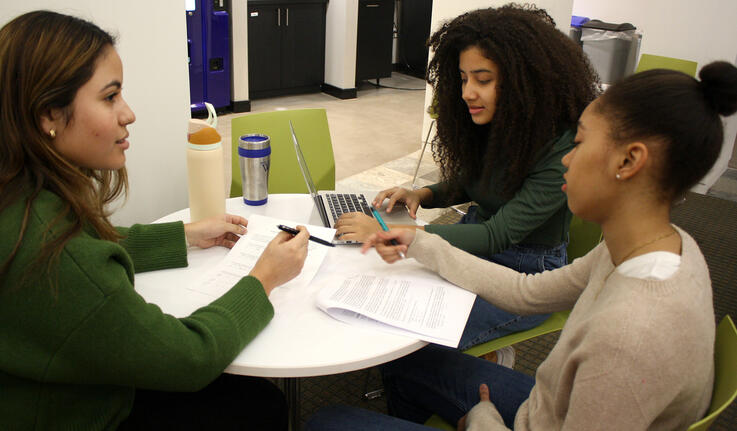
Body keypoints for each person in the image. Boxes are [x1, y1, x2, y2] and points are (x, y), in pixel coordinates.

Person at [305, 60, 737, 430]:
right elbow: (527, 292)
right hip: (551, 408)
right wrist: (419, 243)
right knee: (410, 361)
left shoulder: (629, 340)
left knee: (327, 422)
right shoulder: (661, 246)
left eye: (581, 142)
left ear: (629, 160)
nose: (567, 157)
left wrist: (484, 419)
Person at [0, 11, 308, 430]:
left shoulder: (19, 198)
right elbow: (189, 357)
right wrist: (264, 278)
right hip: (87, 412)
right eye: (110, 97)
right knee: (260, 405)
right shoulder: (56, 255)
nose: (128, 114)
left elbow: (92, 244)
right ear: (48, 115)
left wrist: (185, 235)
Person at [336, 5, 600, 353]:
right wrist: (423, 194)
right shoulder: (499, 122)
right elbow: (471, 182)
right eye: (463, 79)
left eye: (483, 79)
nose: (467, 92)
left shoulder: (561, 148)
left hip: (527, 274)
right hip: (480, 250)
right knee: (394, 294)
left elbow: (496, 235)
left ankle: (481, 369)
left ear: (525, 81)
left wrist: (394, 233)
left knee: (419, 337)